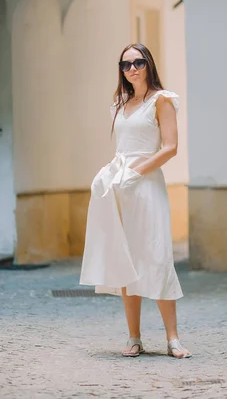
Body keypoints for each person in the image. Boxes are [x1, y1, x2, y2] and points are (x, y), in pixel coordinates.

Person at [80, 43, 191, 359]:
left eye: (139, 62)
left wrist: (136, 171)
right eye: (126, 64)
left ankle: (173, 338)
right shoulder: (119, 103)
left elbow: (170, 147)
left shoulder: (162, 100)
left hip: (146, 185)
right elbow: (122, 148)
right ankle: (134, 337)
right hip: (119, 185)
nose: (132, 69)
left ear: (148, 65)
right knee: (124, 258)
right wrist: (110, 174)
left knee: (156, 255)